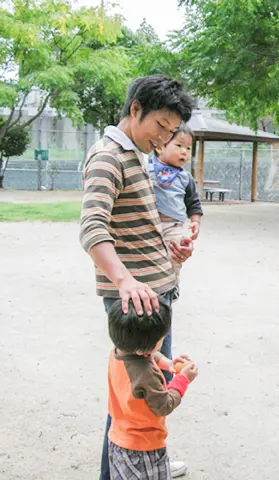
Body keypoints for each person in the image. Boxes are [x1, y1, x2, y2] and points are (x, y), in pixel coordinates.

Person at [79, 74, 196, 479]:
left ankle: (151, 459)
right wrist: (125, 281)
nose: (164, 139)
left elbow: (136, 225)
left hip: (155, 290)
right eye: (159, 126)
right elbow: (92, 227)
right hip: (136, 300)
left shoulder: (138, 155)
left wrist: (170, 249)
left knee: (152, 386)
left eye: (172, 131)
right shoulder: (108, 156)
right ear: (135, 110)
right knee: (135, 396)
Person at [106, 299, 198, 480]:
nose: (162, 340)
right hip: (143, 449)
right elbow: (164, 404)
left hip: (119, 438)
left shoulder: (119, 351)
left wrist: (168, 363)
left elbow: (149, 354)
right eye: (161, 339)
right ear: (146, 347)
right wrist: (183, 379)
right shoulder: (146, 375)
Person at [149, 123, 203, 293]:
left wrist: (195, 222)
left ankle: (172, 285)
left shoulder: (185, 178)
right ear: (159, 147)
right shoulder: (147, 168)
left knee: (174, 256)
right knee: (150, 258)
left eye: (188, 148)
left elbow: (193, 203)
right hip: (150, 225)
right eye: (178, 145)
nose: (184, 151)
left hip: (174, 226)